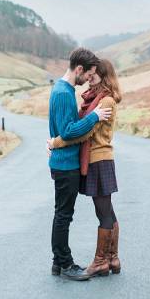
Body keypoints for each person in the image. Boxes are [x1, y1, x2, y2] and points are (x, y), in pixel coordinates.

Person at [48, 58, 122, 277]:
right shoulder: (93, 99)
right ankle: (112, 259)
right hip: (95, 160)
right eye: (89, 75)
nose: (90, 80)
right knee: (106, 210)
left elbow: (82, 132)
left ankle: (102, 261)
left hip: (99, 160)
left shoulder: (105, 102)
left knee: (104, 212)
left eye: (94, 76)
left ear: (104, 76)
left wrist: (55, 142)